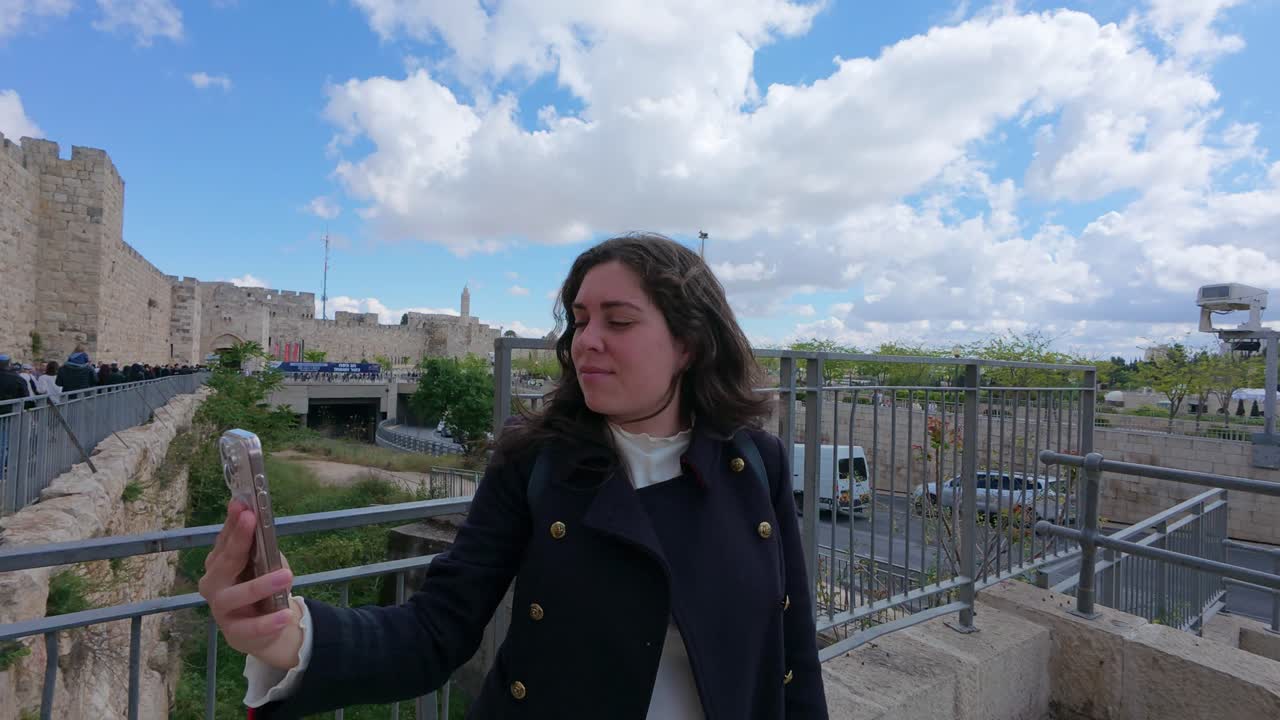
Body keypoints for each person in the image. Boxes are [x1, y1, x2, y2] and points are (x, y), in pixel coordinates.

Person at [199, 234, 827, 719]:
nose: (586, 341)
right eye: (580, 320)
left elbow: (790, 653)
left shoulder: (754, 461)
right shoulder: (537, 462)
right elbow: (435, 629)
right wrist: (295, 637)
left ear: (688, 343)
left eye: (619, 321)